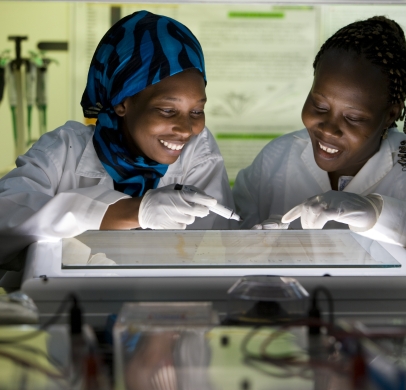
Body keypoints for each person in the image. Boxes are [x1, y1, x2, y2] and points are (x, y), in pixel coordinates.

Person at [232, 16, 406, 273]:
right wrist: (253, 241)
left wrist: (379, 215)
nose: (328, 127)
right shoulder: (275, 159)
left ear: (391, 115)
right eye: (319, 105)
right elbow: (224, 239)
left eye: (354, 118)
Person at [0, 11, 234, 268]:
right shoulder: (65, 150)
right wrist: (134, 211)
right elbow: (6, 219)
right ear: (122, 102)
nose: (185, 129)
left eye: (197, 111)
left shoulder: (197, 153)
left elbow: (210, 255)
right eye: (167, 110)